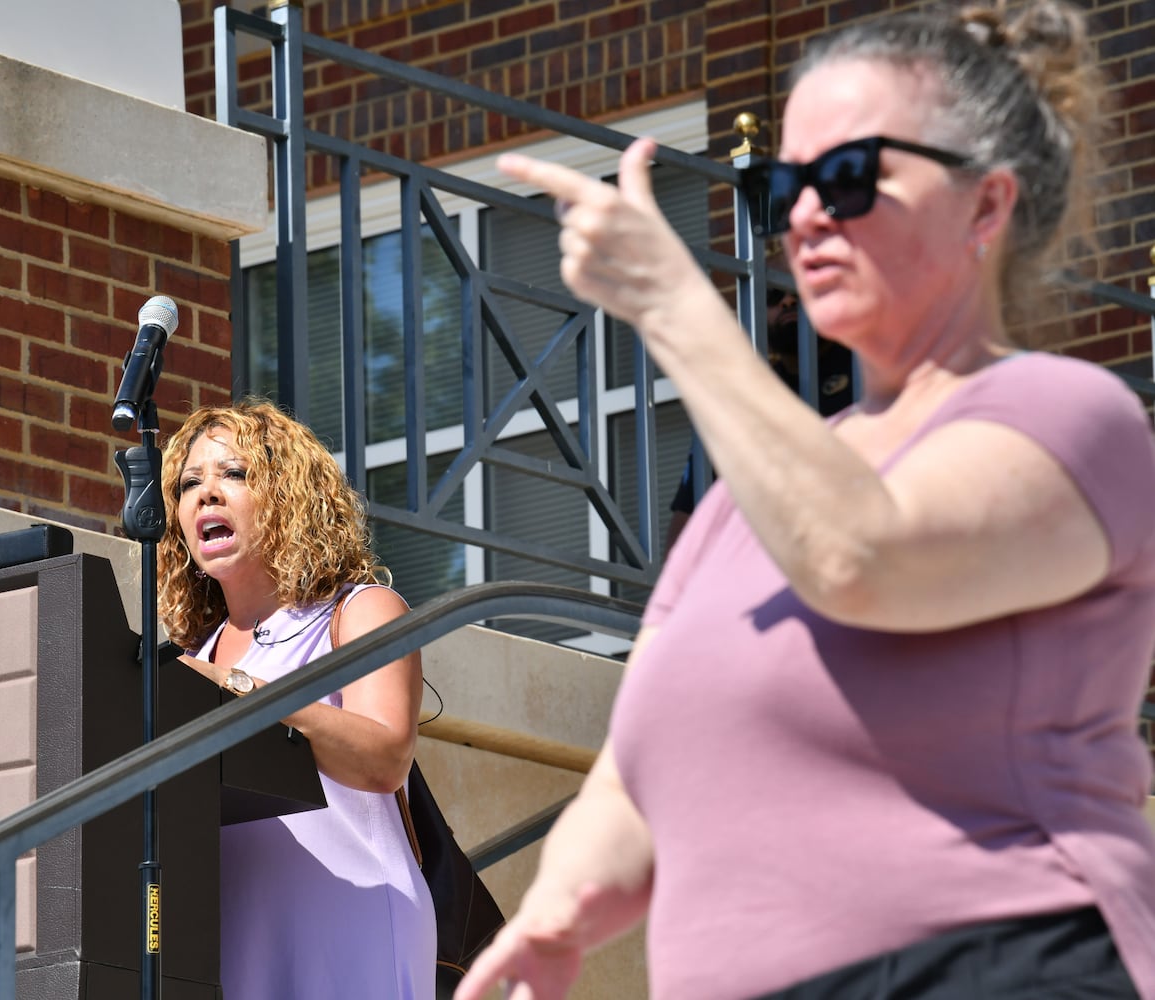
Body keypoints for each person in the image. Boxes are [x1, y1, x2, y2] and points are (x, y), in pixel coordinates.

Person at [462, 1, 1155, 997]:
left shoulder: (1069, 415)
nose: (804, 214)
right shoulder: (748, 502)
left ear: (987, 208)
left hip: (994, 964)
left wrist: (673, 306)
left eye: (848, 175)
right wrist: (552, 913)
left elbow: (862, 557)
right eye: (787, 184)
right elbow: (633, 771)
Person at [155, 397, 437, 1000]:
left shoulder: (359, 611)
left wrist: (240, 689)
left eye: (235, 474)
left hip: (347, 912)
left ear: (288, 495)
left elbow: (385, 758)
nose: (205, 494)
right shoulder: (189, 654)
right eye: (188, 484)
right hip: (227, 929)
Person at [666, 284, 854, 551]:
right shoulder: (746, 400)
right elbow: (690, 512)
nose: (788, 301)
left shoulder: (866, 368)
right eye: (774, 296)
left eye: (798, 290)